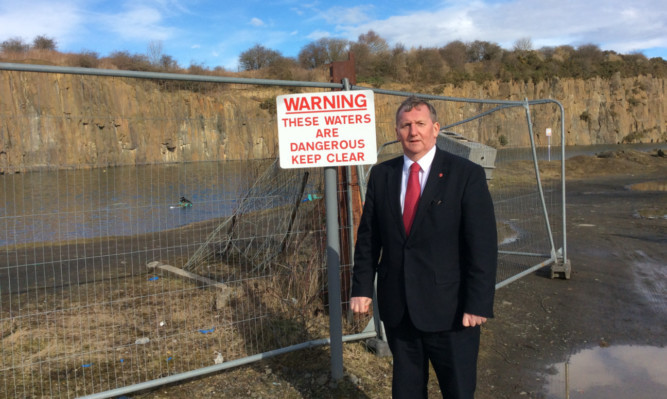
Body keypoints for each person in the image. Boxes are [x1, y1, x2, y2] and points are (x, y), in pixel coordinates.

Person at [350, 96, 497, 398]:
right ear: (396, 131)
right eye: (406, 125)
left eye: (420, 124)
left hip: (452, 311)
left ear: (436, 128)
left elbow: (482, 245)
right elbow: (368, 238)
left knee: (457, 390)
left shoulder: (466, 175)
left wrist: (478, 302)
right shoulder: (382, 175)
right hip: (399, 310)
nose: (413, 132)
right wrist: (362, 287)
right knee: (406, 391)